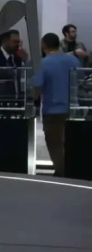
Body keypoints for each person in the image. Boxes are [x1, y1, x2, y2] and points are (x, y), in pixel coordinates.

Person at [34, 33, 80, 178]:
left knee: (55, 145)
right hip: (74, 110)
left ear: (43, 45)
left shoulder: (42, 63)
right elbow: (80, 81)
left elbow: (36, 87)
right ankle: (73, 171)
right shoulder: (74, 60)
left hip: (53, 111)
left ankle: (63, 174)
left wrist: (31, 100)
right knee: (72, 144)